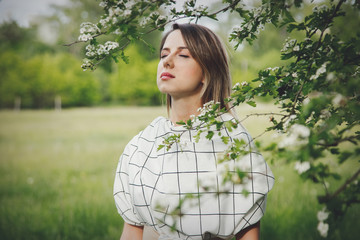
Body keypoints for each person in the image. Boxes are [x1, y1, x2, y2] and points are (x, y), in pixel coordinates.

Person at [113, 23, 275, 240]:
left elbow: (248, 234)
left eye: (184, 55)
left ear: (207, 69)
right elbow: (132, 231)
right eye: (163, 54)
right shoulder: (141, 145)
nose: (167, 62)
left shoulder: (233, 140)